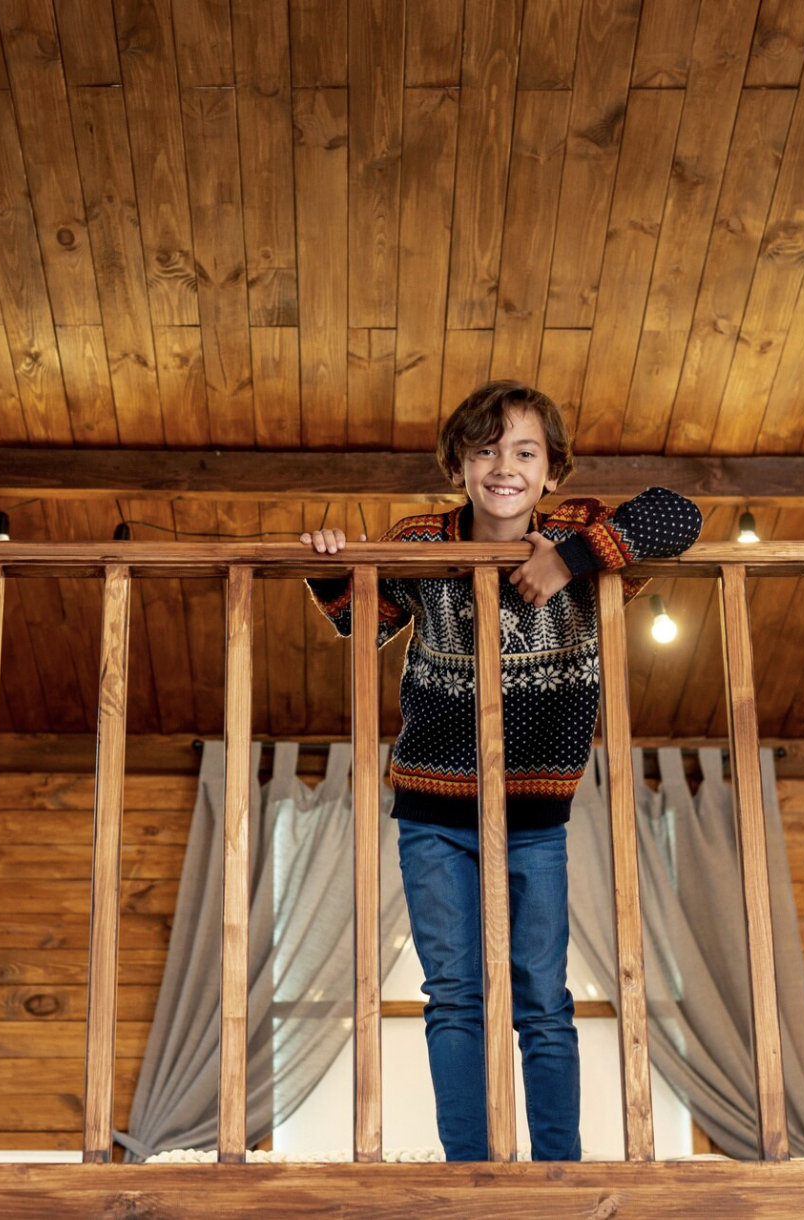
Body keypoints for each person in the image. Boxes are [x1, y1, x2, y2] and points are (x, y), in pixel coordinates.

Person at [299, 380, 702, 1161]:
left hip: (535, 813)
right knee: (454, 993)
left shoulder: (581, 530)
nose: (504, 468)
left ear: (551, 472)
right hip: (432, 803)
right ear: (459, 468)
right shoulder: (423, 540)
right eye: (485, 452)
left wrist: (570, 563)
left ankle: (556, 1173)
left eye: (524, 453)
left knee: (542, 995)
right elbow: (362, 622)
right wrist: (329, 566)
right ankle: (471, 1171)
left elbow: (678, 516)